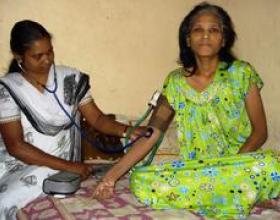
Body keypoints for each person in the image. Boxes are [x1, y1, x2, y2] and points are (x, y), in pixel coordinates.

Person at [93, 2, 280, 219]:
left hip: (241, 165)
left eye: (213, 30)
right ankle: (236, 194)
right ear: (188, 39)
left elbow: (260, 132)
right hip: (198, 170)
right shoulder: (175, 82)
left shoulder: (242, 73)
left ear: (224, 39)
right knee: (141, 180)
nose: (205, 36)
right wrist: (111, 177)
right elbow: (151, 134)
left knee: (272, 165)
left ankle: (229, 190)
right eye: (198, 30)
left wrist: (229, 167)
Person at [0, 20, 142, 219]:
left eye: (49, 52)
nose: (47, 60)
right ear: (19, 57)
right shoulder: (7, 89)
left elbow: (98, 119)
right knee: (5, 202)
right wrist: (69, 167)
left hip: (64, 169)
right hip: (23, 167)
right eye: (37, 56)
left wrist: (128, 131)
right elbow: (15, 146)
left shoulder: (69, 79)